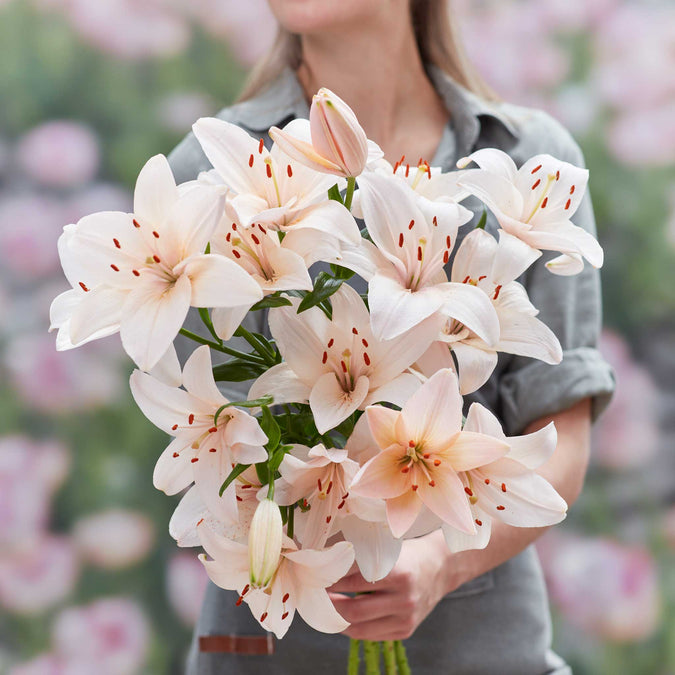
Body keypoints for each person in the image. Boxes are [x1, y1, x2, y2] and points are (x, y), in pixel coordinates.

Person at [169, 1, 615, 673]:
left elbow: (560, 439)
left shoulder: (530, 163)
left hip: (481, 650)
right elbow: (231, 450)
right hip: (270, 650)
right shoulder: (210, 173)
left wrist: (439, 560)